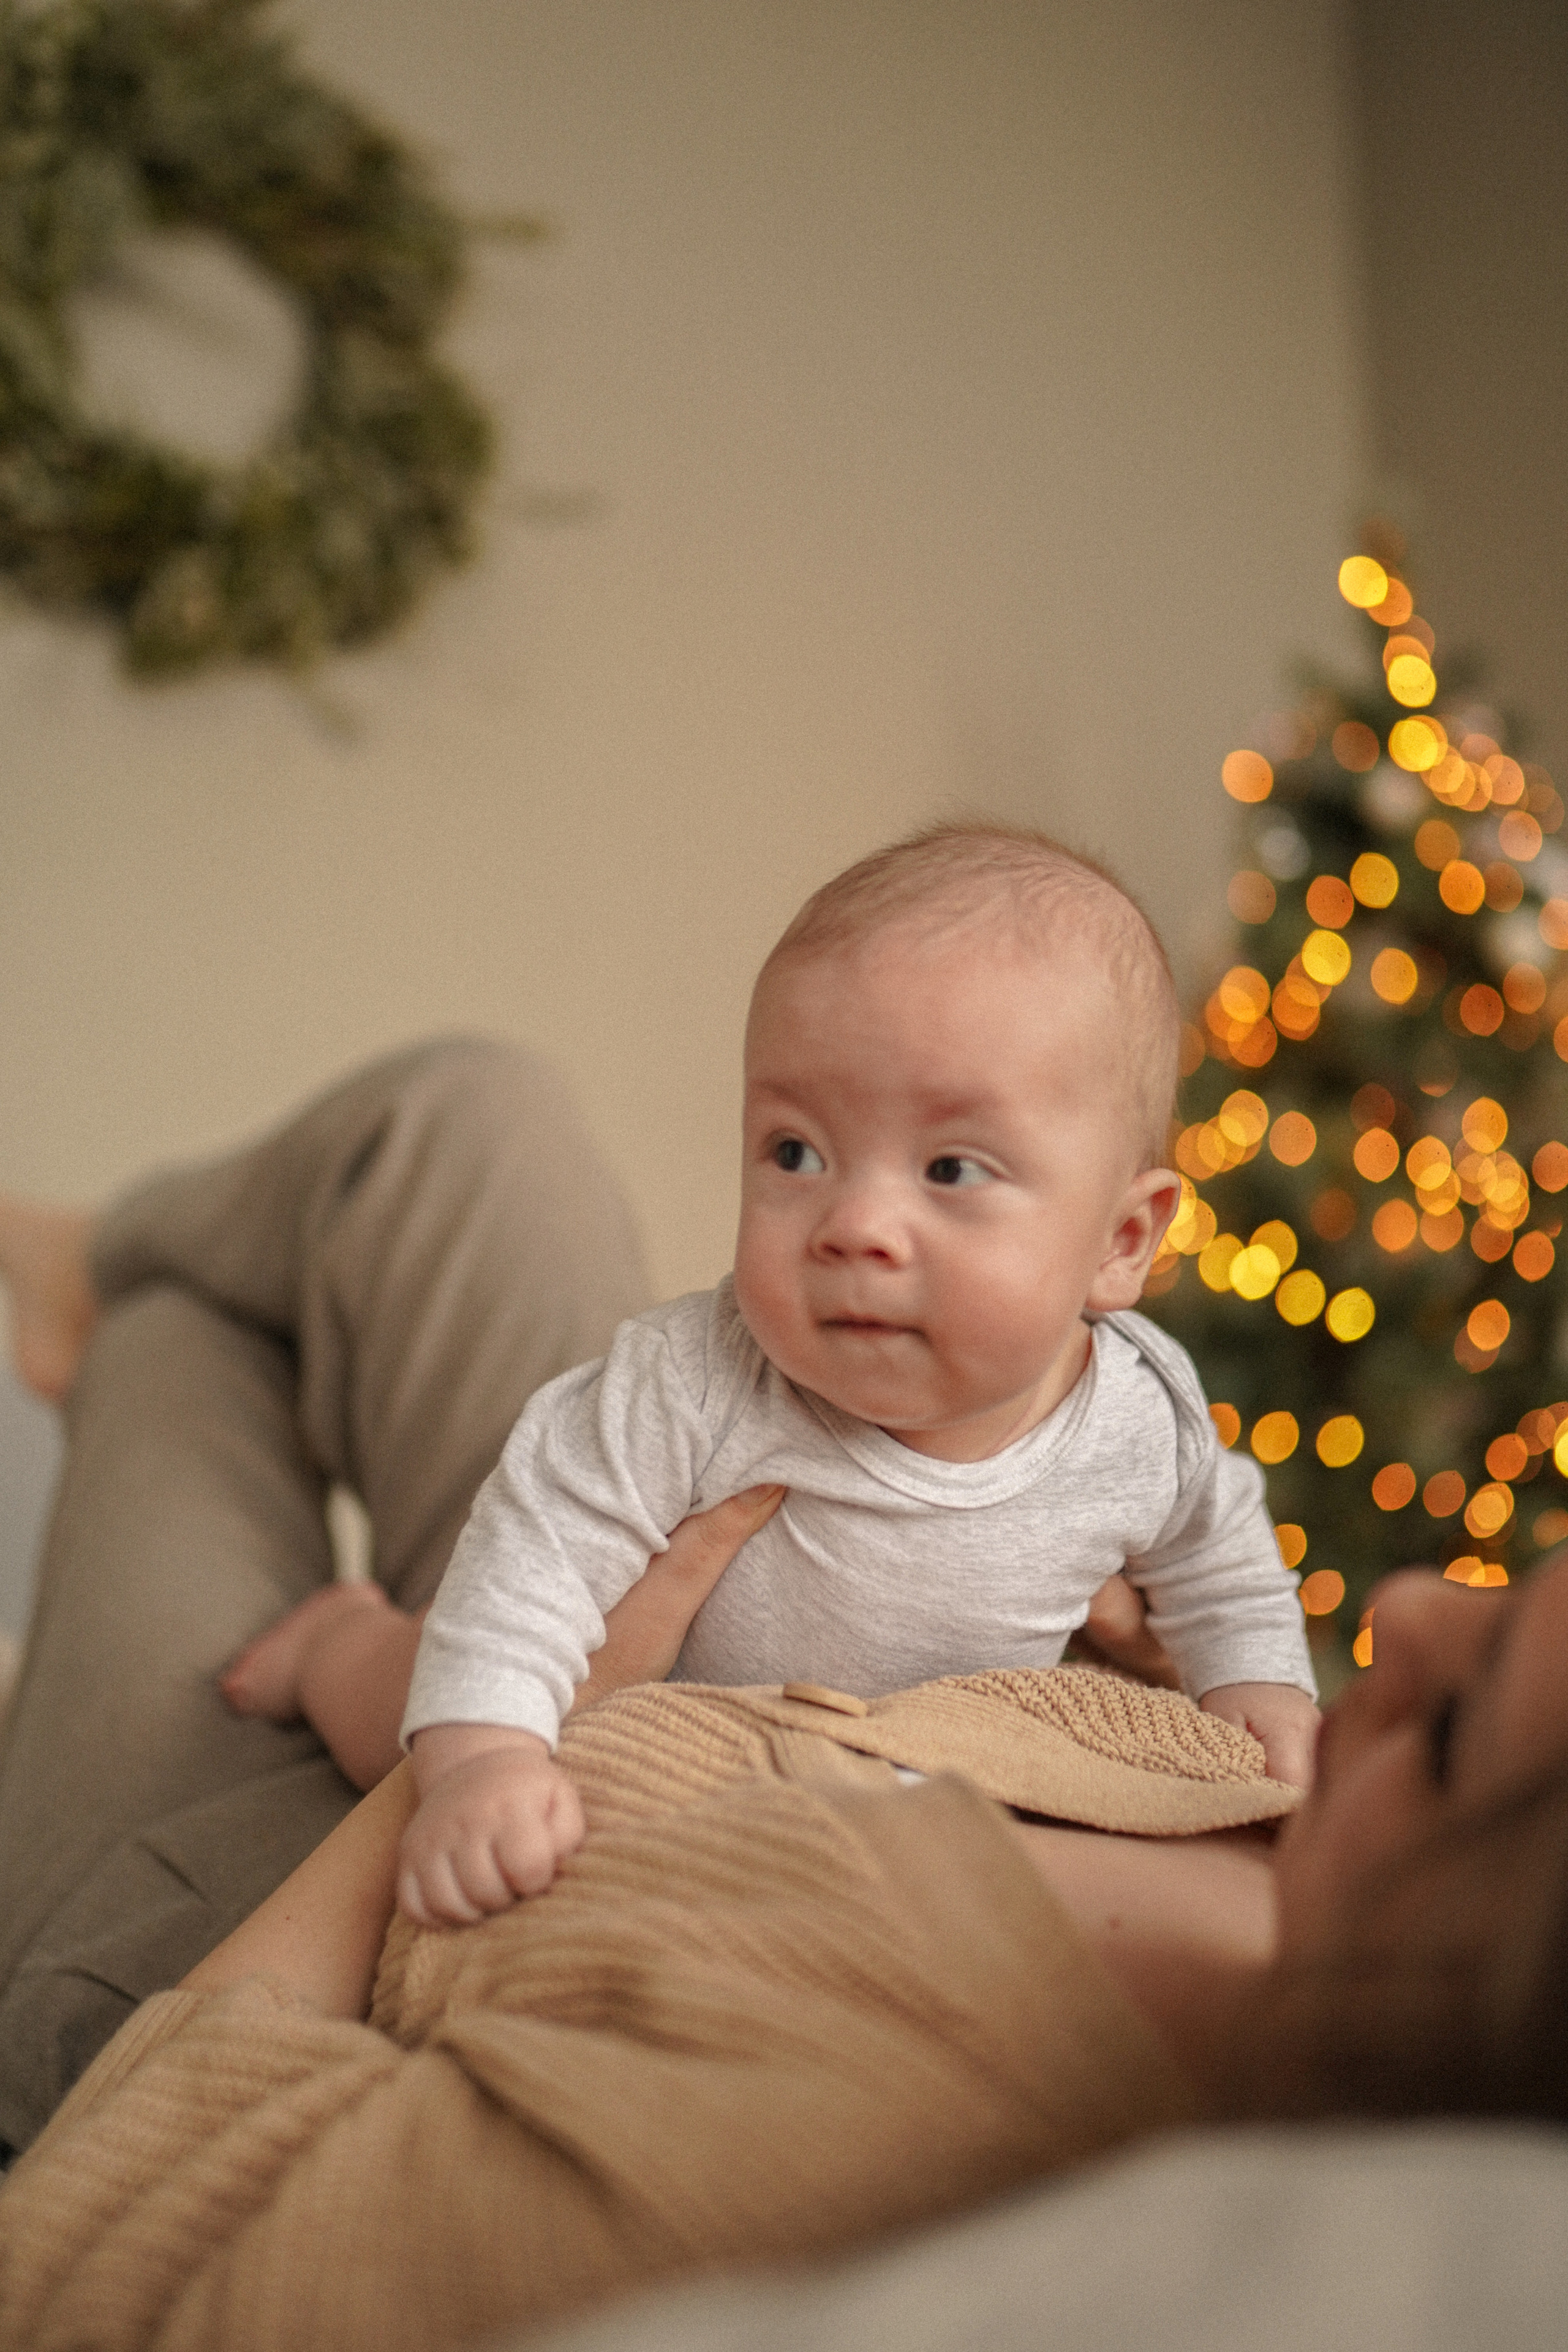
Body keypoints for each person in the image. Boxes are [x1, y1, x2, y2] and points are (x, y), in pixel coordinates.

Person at [216, 825, 1317, 1929]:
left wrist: (1262, 1694)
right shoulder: (697, 1381)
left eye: (950, 1168)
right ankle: (329, 1642)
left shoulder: (1142, 1421)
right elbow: (531, 1560)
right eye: (797, 1152)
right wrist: (485, 1766)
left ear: (1122, 1243)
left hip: (863, 1784)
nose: (855, 1224)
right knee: (398, 1719)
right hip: (602, 1687)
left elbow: (1221, 1570)